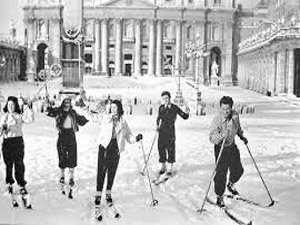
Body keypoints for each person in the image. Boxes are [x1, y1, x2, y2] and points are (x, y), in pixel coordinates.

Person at [80, 99, 142, 206]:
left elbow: (129, 137)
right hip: (104, 148)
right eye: (111, 107)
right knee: (101, 172)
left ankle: (108, 194)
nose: (112, 109)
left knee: (111, 173)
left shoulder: (123, 123)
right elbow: (92, 117)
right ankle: (98, 195)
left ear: (119, 108)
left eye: (115, 107)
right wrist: (85, 108)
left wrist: (136, 138)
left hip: (116, 149)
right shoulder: (104, 118)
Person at [209, 96, 248, 207]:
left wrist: (242, 136)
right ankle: (219, 196)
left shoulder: (235, 115)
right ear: (220, 108)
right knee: (221, 174)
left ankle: (230, 184)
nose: (225, 111)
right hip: (220, 148)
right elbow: (212, 137)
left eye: (227, 109)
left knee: (238, 170)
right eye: (223, 108)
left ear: (231, 108)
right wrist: (222, 135)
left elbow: (237, 127)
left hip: (231, 146)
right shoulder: (217, 120)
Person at [46, 96, 88, 192]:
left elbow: (81, 121)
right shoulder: (59, 111)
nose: (67, 104)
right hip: (62, 135)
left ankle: (72, 177)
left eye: (69, 102)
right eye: (65, 102)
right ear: (62, 102)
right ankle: (62, 176)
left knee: (72, 156)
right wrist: (47, 107)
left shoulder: (73, 112)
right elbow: (50, 112)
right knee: (62, 156)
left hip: (71, 135)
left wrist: (88, 117)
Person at [0, 96, 34, 196]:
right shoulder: (4, 117)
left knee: (19, 164)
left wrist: (29, 108)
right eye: (9, 105)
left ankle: (21, 185)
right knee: (9, 165)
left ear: (16, 106)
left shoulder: (19, 116)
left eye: (13, 105)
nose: (11, 107)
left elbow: (30, 120)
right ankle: (9, 184)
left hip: (18, 142)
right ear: (7, 105)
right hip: (7, 143)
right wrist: (3, 128)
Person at [156, 91, 189, 176]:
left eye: (166, 98)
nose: (165, 100)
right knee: (161, 148)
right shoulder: (161, 107)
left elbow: (184, 116)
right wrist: (157, 125)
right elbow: (158, 118)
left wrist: (187, 112)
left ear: (170, 98)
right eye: (163, 99)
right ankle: (163, 167)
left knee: (170, 148)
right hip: (162, 130)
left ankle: (170, 168)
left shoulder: (174, 107)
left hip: (170, 131)